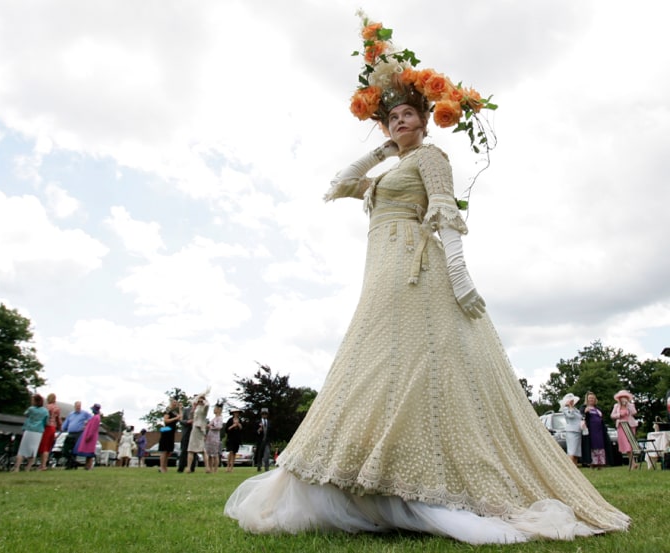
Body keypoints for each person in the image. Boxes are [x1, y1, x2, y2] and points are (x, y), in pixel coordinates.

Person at [224, 13, 629, 544]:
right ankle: (372, 477)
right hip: (380, 270)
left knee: (409, 362)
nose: (399, 123)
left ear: (426, 120)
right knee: (377, 360)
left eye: (408, 115)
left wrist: (460, 275)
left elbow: (444, 213)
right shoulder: (391, 165)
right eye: (392, 117)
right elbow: (341, 184)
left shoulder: (433, 157)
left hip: (414, 266)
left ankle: (418, 477)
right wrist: (384, 149)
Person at [13, 394, 48, 472]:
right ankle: (28, 468)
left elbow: (26, 414)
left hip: (29, 429)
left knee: (22, 449)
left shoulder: (31, 409)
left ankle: (17, 467)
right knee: (33, 450)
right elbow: (46, 421)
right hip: (38, 431)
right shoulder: (45, 411)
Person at [580, 392, 610, 469]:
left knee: (600, 444)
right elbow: (581, 417)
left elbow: (602, 418)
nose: (591, 400)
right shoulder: (583, 407)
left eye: (593, 398)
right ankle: (592, 463)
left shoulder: (598, 408)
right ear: (587, 399)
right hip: (590, 430)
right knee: (592, 445)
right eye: (590, 398)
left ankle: (601, 463)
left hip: (599, 430)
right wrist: (585, 412)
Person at [611, 389, 638, 467]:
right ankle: (632, 463)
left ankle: (632, 462)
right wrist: (619, 415)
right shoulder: (616, 406)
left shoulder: (631, 405)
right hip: (621, 426)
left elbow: (634, 412)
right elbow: (612, 415)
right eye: (621, 397)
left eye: (624, 397)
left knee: (631, 443)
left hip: (630, 425)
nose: (623, 398)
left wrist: (628, 405)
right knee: (626, 444)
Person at [61, 401, 91, 469]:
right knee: (66, 449)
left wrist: (86, 425)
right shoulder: (71, 414)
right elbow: (66, 423)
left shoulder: (84, 413)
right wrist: (62, 428)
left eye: (79, 406)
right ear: (74, 406)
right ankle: (74, 462)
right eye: (77, 406)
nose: (78, 407)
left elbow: (91, 419)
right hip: (70, 433)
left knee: (74, 450)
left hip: (78, 433)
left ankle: (70, 465)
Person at [37, 393, 62, 471]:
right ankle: (44, 464)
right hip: (53, 428)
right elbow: (58, 420)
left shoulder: (46, 408)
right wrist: (60, 427)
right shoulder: (57, 408)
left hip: (46, 427)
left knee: (43, 446)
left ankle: (43, 465)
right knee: (48, 446)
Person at [185, 391, 209, 473]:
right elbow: (191, 417)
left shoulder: (204, 408)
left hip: (200, 428)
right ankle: (188, 467)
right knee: (191, 449)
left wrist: (203, 400)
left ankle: (207, 468)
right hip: (194, 428)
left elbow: (207, 405)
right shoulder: (196, 408)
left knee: (202, 449)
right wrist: (194, 407)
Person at [74, 403, 101, 470]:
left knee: (89, 452)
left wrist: (89, 436)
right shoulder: (94, 417)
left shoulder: (96, 417)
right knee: (87, 452)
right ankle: (87, 465)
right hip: (88, 435)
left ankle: (89, 466)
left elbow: (93, 428)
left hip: (91, 437)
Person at [159, 398, 182, 472]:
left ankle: (165, 467)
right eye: (174, 402)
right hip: (167, 430)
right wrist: (175, 418)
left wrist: (180, 409)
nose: (175, 404)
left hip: (172, 431)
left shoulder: (174, 412)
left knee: (169, 451)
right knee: (164, 450)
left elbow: (180, 418)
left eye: (176, 402)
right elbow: (166, 420)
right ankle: (162, 467)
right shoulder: (168, 410)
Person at [560, 393, 582, 465]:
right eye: (570, 401)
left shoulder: (576, 409)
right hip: (571, 431)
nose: (572, 402)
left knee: (576, 452)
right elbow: (571, 416)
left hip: (578, 431)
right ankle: (570, 467)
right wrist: (570, 406)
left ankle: (575, 467)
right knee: (571, 451)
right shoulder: (565, 409)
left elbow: (579, 417)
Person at [177, 402, 198, 473]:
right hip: (186, 433)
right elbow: (181, 421)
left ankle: (192, 468)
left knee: (194, 451)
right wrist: (188, 421)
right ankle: (181, 468)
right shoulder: (186, 410)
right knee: (184, 451)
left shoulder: (200, 411)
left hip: (195, 434)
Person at [205, 403, 224, 473]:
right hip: (210, 437)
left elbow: (219, 427)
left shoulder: (220, 418)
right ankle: (210, 468)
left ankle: (215, 469)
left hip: (215, 438)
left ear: (219, 410)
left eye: (215, 408)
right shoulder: (214, 418)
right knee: (209, 454)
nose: (214, 410)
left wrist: (211, 426)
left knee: (215, 454)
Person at [225, 408, 243, 472]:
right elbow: (227, 429)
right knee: (231, 451)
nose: (236, 414)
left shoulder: (240, 420)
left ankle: (232, 467)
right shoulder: (230, 420)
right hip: (230, 438)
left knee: (234, 452)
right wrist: (233, 425)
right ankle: (227, 466)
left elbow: (242, 429)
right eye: (235, 412)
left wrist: (239, 425)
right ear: (233, 413)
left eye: (237, 413)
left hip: (237, 438)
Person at [255, 408, 271, 472]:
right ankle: (259, 467)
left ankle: (266, 468)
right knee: (260, 454)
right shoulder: (257, 422)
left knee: (267, 454)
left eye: (265, 414)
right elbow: (254, 432)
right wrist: (258, 431)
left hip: (267, 441)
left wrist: (270, 441)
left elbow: (271, 433)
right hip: (260, 441)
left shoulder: (269, 423)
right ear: (261, 414)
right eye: (263, 414)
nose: (264, 415)